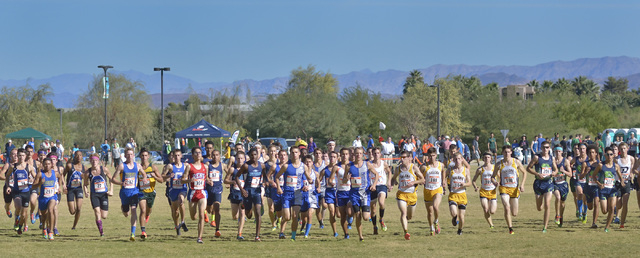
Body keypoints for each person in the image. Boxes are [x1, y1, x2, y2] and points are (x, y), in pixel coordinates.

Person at [275, 146, 312, 241]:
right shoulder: (286, 166)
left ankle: (293, 236)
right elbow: (277, 177)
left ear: (299, 153)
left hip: (297, 194)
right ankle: (282, 231)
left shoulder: (303, 166)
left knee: (295, 216)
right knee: (287, 217)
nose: (294, 154)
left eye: (296, 152)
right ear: (290, 154)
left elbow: (307, 176)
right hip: (287, 194)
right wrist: (279, 187)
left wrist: (310, 181)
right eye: (292, 152)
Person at [111, 148, 147, 241]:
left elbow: (144, 174)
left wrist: (144, 179)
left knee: (134, 210)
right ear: (125, 155)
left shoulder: (138, 166)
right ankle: (123, 207)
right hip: (124, 192)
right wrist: (121, 183)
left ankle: (132, 234)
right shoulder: (121, 166)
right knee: (126, 213)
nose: (130, 156)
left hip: (134, 191)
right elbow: (113, 179)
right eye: (128, 154)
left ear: (134, 155)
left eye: (131, 154)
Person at [492, 145, 527, 234]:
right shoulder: (499, 164)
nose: (507, 154)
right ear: (502, 153)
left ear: (511, 152)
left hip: (514, 189)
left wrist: (522, 185)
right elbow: (493, 177)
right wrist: (495, 182)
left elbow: (525, 173)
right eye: (505, 152)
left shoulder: (516, 162)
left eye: (508, 152)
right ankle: (510, 228)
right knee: (506, 207)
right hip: (504, 188)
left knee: (514, 213)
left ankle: (511, 221)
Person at [527, 141, 558, 233]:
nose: (545, 149)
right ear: (541, 148)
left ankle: (545, 227)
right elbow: (528, 168)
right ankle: (544, 222)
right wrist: (537, 174)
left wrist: (554, 173)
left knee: (547, 204)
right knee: (539, 207)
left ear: (549, 148)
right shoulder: (537, 157)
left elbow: (556, 169)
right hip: (538, 184)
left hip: (548, 183)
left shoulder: (552, 158)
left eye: (547, 147)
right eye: (544, 147)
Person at [589, 146, 623, 232]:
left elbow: (620, 176)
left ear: (613, 155)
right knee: (604, 211)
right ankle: (610, 212)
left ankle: (607, 227)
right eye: (607, 154)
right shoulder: (601, 165)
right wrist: (599, 184)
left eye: (611, 154)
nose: (609, 156)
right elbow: (593, 176)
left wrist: (622, 182)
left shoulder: (616, 166)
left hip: (612, 189)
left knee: (611, 208)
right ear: (605, 155)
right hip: (603, 190)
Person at [392, 151, 424, 240]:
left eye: (404, 157)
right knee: (403, 213)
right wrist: (393, 183)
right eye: (401, 157)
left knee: (409, 216)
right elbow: (393, 178)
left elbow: (422, 179)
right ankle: (406, 232)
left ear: (409, 158)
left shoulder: (414, 168)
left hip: (412, 195)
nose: (402, 159)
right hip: (401, 194)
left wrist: (413, 182)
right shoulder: (398, 168)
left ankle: (406, 220)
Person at [181, 147, 210, 243]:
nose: (198, 154)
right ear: (192, 155)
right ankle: (202, 212)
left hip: (202, 192)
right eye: (196, 153)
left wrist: (209, 181)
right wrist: (189, 180)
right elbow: (182, 180)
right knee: (194, 217)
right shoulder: (189, 166)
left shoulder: (205, 167)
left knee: (201, 214)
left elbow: (206, 178)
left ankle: (199, 237)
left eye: (200, 153)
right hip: (193, 192)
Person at [237, 148, 265, 242]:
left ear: (258, 155)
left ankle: (257, 236)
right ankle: (244, 205)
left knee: (258, 212)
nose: (253, 157)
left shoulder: (262, 166)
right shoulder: (246, 166)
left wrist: (266, 182)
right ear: (249, 156)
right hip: (247, 192)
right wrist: (241, 190)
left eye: (255, 154)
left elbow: (265, 176)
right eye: (251, 155)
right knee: (249, 215)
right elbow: (237, 177)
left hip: (257, 192)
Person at [5, 148, 36, 234]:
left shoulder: (29, 167)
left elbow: (36, 177)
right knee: (18, 207)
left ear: (25, 156)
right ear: (17, 156)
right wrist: (8, 186)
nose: (21, 157)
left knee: (24, 214)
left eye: (23, 155)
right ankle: (16, 218)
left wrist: (35, 182)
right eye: (19, 155)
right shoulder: (13, 167)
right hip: (16, 191)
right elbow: (7, 176)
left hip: (26, 192)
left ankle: (20, 226)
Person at [84, 153, 113, 237]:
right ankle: (101, 232)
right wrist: (86, 192)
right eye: (92, 160)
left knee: (104, 216)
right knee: (97, 212)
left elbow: (111, 179)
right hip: (94, 195)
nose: (94, 162)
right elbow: (85, 184)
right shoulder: (87, 172)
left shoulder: (104, 170)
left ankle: (100, 218)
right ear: (90, 161)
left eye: (96, 160)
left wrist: (111, 190)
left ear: (99, 161)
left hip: (104, 194)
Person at [163, 149, 189, 236]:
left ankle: (183, 221)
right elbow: (162, 177)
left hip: (182, 189)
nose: (177, 157)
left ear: (181, 156)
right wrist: (168, 176)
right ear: (173, 157)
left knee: (181, 201)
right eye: (175, 156)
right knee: (175, 210)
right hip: (173, 189)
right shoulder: (170, 166)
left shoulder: (185, 166)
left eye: (179, 155)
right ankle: (177, 226)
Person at [137, 148, 162, 240]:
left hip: (151, 192)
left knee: (148, 210)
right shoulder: (137, 167)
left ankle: (147, 215)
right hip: (141, 192)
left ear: (149, 156)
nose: (144, 157)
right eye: (142, 155)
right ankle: (143, 231)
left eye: (146, 155)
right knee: (142, 210)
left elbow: (161, 180)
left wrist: (154, 176)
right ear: (140, 156)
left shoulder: (153, 167)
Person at [445, 152, 472, 235]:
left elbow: (469, 182)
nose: (457, 160)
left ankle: (460, 230)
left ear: (462, 159)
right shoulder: (450, 170)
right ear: (453, 160)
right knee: (454, 212)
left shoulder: (466, 170)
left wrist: (465, 184)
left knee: (461, 216)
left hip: (462, 195)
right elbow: (444, 177)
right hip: (453, 194)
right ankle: (454, 218)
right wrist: (444, 185)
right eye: (456, 159)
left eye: (459, 159)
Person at [33, 157, 60, 240]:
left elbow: (60, 177)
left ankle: (50, 231)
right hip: (43, 198)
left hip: (52, 196)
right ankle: (44, 228)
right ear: (43, 165)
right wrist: (40, 183)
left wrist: (60, 187)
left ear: (51, 165)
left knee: (51, 210)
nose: (47, 166)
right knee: (44, 216)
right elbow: (33, 186)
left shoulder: (55, 173)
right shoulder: (40, 174)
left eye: (48, 164)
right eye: (45, 164)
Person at [420, 147, 444, 235]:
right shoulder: (424, 166)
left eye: (433, 155)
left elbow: (443, 172)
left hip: (437, 189)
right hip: (427, 190)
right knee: (430, 212)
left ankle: (436, 221)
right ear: (428, 156)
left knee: (435, 207)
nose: (432, 158)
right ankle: (431, 228)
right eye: (430, 156)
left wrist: (444, 181)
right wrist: (421, 180)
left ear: (436, 155)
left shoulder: (441, 165)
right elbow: (418, 175)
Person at [368, 147, 391, 235]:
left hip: (381, 185)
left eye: (378, 153)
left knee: (381, 203)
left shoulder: (383, 163)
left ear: (380, 154)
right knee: (373, 210)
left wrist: (388, 182)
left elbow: (389, 171)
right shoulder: (369, 164)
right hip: (372, 187)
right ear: (372, 154)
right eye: (374, 153)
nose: (376, 155)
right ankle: (374, 226)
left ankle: (381, 219)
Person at [224, 152, 247, 240]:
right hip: (234, 194)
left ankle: (239, 233)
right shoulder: (232, 169)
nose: (240, 160)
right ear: (235, 159)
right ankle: (238, 220)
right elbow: (225, 180)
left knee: (242, 213)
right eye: (238, 158)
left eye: (241, 158)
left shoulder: (247, 169)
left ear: (244, 159)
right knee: (235, 216)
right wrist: (232, 182)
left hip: (243, 194)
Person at [472, 151, 497, 228]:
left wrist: (498, 183)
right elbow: (473, 180)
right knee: (486, 209)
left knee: (492, 211)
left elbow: (500, 177)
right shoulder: (480, 169)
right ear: (483, 159)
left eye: (488, 157)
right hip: (483, 192)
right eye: (485, 157)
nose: (487, 159)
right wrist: (475, 187)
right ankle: (491, 225)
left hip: (492, 191)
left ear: (491, 158)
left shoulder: (494, 168)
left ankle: (491, 214)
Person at [204, 145, 225, 237]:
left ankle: (217, 229)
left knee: (217, 208)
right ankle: (207, 212)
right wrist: (208, 180)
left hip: (218, 189)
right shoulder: (208, 165)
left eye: (217, 155)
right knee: (209, 209)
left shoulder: (222, 165)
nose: (215, 157)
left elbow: (230, 173)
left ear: (219, 156)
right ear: (211, 156)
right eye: (213, 155)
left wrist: (229, 181)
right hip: (209, 189)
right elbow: (205, 175)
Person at [580, 145, 601, 228]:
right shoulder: (585, 164)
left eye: (593, 152)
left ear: (596, 153)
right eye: (590, 153)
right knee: (590, 207)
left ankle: (594, 223)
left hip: (596, 187)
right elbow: (580, 177)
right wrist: (586, 172)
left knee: (596, 203)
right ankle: (584, 213)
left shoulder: (599, 164)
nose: (591, 154)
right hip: (588, 186)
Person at [63, 150, 84, 230]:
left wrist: (85, 188)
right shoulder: (69, 166)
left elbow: (85, 179)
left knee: (79, 208)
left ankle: (74, 226)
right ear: (74, 156)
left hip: (79, 189)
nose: (79, 157)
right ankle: (74, 214)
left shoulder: (83, 167)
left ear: (82, 157)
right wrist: (64, 186)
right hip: (70, 189)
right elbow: (62, 175)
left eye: (80, 155)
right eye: (77, 155)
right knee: (72, 211)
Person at [320, 151, 339, 237]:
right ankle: (335, 231)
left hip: (339, 192)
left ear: (337, 158)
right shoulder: (324, 170)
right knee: (332, 211)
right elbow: (318, 180)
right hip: (329, 192)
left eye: (334, 157)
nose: (332, 159)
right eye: (330, 157)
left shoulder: (340, 169)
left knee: (338, 214)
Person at [300, 154, 319, 238]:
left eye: (309, 162)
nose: (308, 164)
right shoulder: (300, 173)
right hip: (302, 196)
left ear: (312, 163)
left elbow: (318, 184)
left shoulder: (315, 174)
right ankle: (303, 226)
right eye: (306, 162)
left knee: (310, 214)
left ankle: (306, 234)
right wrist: (302, 188)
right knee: (304, 217)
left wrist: (318, 188)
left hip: (312, 196)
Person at [266, 146, 284, 232]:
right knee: (270, 208)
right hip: (270, 188)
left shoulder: (282, 163)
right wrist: (270, 182)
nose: (273, 153)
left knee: (279, 208)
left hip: (280, 188)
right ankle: (273, 223)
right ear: (268, 152)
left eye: (274, 151)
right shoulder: (266, 164)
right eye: (271, 151)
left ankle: (278, 218)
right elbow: (266, 176)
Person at [552, 146, 571, 228]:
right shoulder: (552, 161)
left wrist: (563, 171)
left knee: (562, 203)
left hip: (563, 184)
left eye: (559, 151)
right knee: (558, 197)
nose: (557, 153)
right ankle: (557, 215)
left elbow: (570, 174)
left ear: (562, 152)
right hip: (554, 183)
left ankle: (561, 216)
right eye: (556, 151)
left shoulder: (565, 161)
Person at [617, 143, 634, 228]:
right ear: (619, 150)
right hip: (618, 183)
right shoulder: (617, 160)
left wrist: (631, 174)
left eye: (624, 148)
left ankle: (622, 223)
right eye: (621, 149)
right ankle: (616, 214)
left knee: (625, 203)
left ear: (627, 149)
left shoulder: (631, 158)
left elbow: (632, 169)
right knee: (619, 204)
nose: (623, 150)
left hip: (627, 183)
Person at [572, 143, 589, 223]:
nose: (582, 150)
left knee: (585, 199)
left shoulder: (589, 159)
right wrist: (572, 168)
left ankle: (585, 213)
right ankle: (580, 212)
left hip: (587, 181)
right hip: (578, 180)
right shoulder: (576, 159)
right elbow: (570, 163)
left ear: (586, 150)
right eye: (580, 149)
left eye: (583, 148)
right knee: (579, 194)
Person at [311, 149, 327, 230]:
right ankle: (321, 222)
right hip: (314, 188)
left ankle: (322, 219)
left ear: (321, 154)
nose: (318, 155)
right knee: (317, 208)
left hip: (324, 187)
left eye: (319, 153)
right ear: (314, 154)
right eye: (316, 153)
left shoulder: (325, 164)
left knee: (324, 204)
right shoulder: (311, 165)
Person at [1, 148, 17, 218]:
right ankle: (7, 209)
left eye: (17, 154)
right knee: (8, 204)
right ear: (10, 155)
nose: (15, 156)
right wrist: (7, 178)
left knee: (18, 204)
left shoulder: (21, 165)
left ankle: (17, 217)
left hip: (17, 188)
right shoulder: (7, 165)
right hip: (8, 187)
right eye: (14, 154)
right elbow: (0, 175)